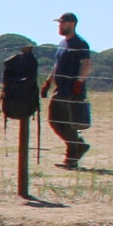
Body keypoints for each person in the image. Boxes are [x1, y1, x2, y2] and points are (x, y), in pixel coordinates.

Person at [43, 12, 95, 168]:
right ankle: (77, 145)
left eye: (62, 23)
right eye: (59, 23)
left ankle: (73, 153)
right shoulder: (62, 44)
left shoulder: (80, 43)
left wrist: (79, 83)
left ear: (71, 24)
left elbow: (86, 64)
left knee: (68, 123)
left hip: (72, 90)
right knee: (55, 121)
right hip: (60, 89)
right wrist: (48, 82)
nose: (60, 26)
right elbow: (56, 65)